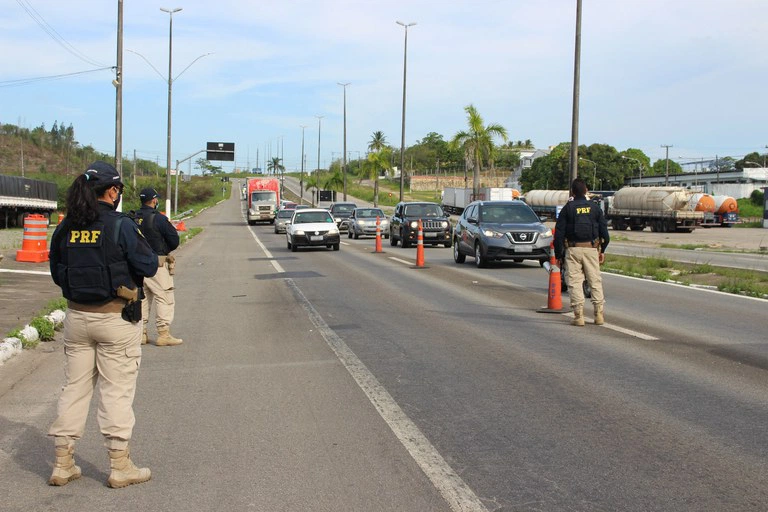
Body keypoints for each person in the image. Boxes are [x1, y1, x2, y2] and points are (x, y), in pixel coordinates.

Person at [48, 161, 158, 488]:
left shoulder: (66, 227)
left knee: (75, 388)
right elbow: (148, 265)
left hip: (76, 318)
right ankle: (120, 465)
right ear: (112, 191)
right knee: (116, 391)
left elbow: (57, 271)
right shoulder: (119, 225)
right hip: (116, 319)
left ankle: (62, 462)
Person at [554, 178, 610, 326]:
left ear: (572, 191)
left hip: (573, 249)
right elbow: (605, 233)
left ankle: (578, 316)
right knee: (595, 281)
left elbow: (559, 234)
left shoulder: (568, 208)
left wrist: (558, 255)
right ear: (586, 191)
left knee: (575, 282)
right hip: (591, 249)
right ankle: (599, 315)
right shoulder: (595, 208)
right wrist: (602, 250)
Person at [133, 188, 182, 346]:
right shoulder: (159, 219)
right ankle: (163, 333)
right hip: (157, 264)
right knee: (164, 297)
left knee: (142, 298)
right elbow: (174, 240)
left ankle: (141, 333)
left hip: (136, 265)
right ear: (154, 201)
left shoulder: (131, 217)